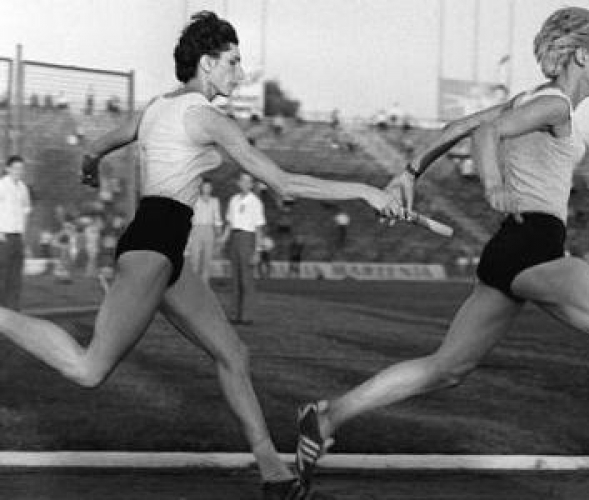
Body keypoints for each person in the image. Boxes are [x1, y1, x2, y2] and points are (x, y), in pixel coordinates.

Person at [295, 7, 589, 500]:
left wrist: (410, 170)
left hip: (511, 252)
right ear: (580, 54)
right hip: (533, 246)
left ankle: (325, 417)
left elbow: (465, 125)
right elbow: (487, 134)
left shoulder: (528, 99)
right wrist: (492, 184)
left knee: (447, 367)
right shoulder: (555, 105)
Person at [0, 11, 394, 499]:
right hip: (150, 249)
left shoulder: (156, 107)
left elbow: (102, 143)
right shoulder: (205, 116)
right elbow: (284, 182)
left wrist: (90, 164)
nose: (240, 72)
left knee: (233, 353)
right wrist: (365, 190)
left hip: (165, 250)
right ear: (207, 63)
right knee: (89, 369)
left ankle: (272, 471)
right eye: (233, 61)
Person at [222, 172, 266, 324]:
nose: (245, 183)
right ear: (238, 183)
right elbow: (229, 223)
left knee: (246, 279)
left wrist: (258, 250)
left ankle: (247, 315)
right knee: (235, 279)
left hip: (248, 238)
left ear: (252, 184)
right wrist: (223, 240)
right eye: (242, 180)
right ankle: (234, 314)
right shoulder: (233, 200)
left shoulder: (255, 202)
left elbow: (259, 228)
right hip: (235, 237)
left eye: (248, 181)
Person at [0, 155, 32, 310]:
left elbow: (26, 211)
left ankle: (13, 310)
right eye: (15, 168)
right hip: (4, 236)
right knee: (3, 274)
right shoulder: (2, 186)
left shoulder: (23, 188)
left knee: (15, 276)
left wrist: (24, 235)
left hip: (18, 237)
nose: (19, 171)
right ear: (8, 169)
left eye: (21, 168)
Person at [188, 178, 222, 284]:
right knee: (195, 260)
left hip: (209, 230)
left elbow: (217, 219)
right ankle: (193, 286)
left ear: (211, 188)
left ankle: (205, 286)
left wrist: (219, 236)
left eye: (209, 187)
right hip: (196, 229)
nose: (207, 188)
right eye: (205, 186)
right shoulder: (195, 200)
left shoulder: (215, 201)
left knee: (207, 261)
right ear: (201, 187)